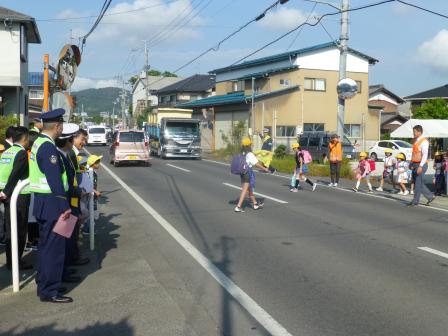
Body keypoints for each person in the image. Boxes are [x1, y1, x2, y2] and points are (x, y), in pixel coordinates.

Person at [29, 108, 73, 303]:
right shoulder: (48, 148)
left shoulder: (38, 142)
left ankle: (45, 283)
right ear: (57, 126)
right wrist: (64, 205)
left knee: (46, 247)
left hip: (43, 202)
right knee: (53, 248)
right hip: (53, 203)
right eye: (61, 125)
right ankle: (49, 291)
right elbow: (54, 178)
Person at [55, 123, 88, 280]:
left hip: (71, 199)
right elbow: (65, 182)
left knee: (69, 236)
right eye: (81, 139)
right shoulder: (62, 155)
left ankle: (67, 268)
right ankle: (63, 272)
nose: (83, 142)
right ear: (70, 140)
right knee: (65, 239)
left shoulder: (66, 154)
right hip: (66, 201)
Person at [0, 126, 32, 270]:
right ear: (24, 139)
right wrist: (7, 191)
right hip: (19, 196)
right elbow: (15, 174)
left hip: (6, 195)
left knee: (10, 229)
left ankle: (10, 261)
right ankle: (16, 262)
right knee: (19, 229)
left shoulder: (8, 151)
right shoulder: (21, 153)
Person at [235, 137, 269, 213]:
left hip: (242, 173)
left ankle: (255, 204)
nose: (251, 145)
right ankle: (238, 206)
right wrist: (265, 169)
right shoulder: (250, 154)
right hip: (247, 173)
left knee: (249, 189)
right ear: (248, 145)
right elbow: (256, 164)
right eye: (250, 144)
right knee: (245, 190)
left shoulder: (242, 153)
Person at [408, 125, 435, 207]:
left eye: (415, 132)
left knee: (417, 183)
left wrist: (420, 166)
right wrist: (411, 163)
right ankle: (430, 196)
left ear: (419, 132)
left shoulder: (424, 141)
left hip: (421, 164)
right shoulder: (416, 140)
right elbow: (414, 153)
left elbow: (425, 154)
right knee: (418, 183)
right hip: (415, 163)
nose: (413, 133)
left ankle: (415, 201)